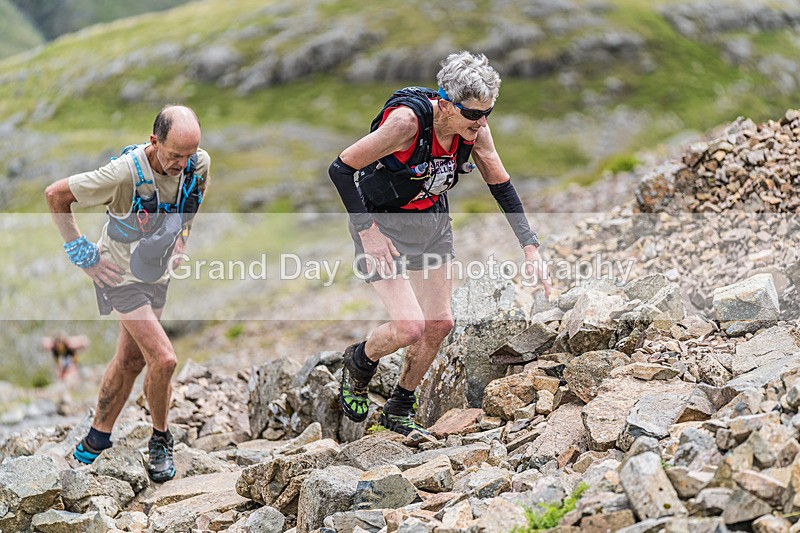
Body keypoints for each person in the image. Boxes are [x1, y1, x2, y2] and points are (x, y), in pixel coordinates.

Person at [329, 51, 551, 436]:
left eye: (488, 113)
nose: (481, 123)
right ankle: (359, 361)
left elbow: (500, 184)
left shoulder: (475, 131)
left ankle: (399, 407)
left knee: (439, 323)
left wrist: (530, 246)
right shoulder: (405, 124)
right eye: (473, 114)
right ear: (445, 103)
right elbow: (341, 168)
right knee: (410, 327)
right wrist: (368, 233)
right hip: (382, 226)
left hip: (431, 222)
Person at [44, 105, 210, 482]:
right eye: (174, 156)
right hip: (118, 278)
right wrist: (83, 256)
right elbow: (55, 195)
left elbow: (191, 203)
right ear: (154, 141)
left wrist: (181, 242)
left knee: (131, 360)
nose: (183, 164)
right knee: (164, 359)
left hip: (156, 275)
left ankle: (96, 439)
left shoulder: (198, 164)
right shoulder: (122, 174)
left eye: (189, 155)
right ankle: (160, 439)